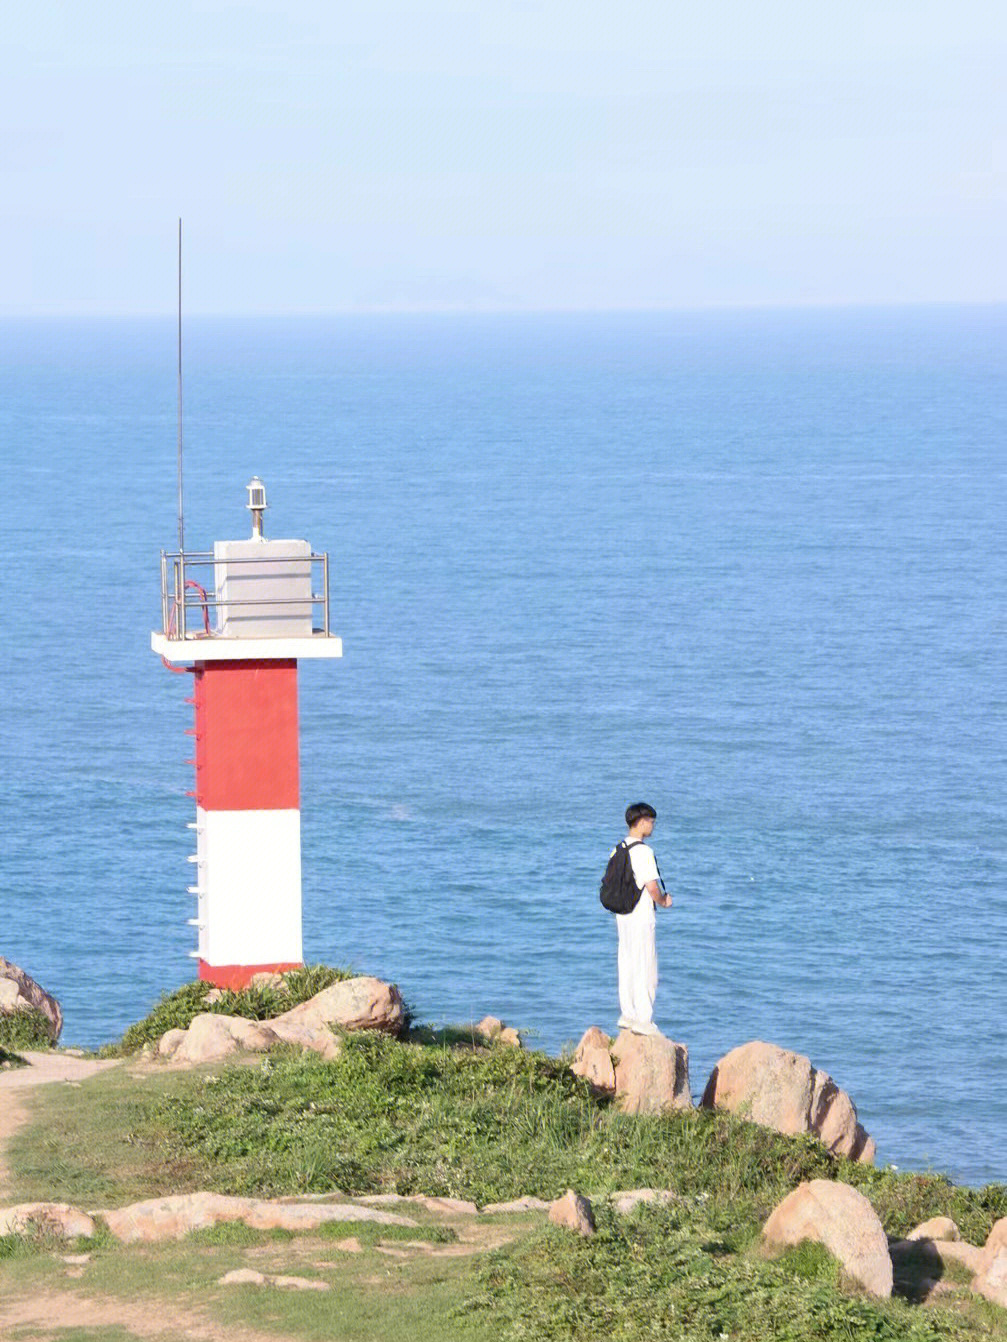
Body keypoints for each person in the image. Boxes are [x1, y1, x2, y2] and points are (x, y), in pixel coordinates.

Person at [614, 801, 672, 1035]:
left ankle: (627, 1014)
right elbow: (652, 887)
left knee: (626, 963)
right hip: (640, 916)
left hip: (623, 915)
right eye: (651, 821)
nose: (653, 825)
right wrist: (664, 901)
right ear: (640, 822)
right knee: (646, 966)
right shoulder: (644, 852)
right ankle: (644, 1020)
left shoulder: (618, 849)